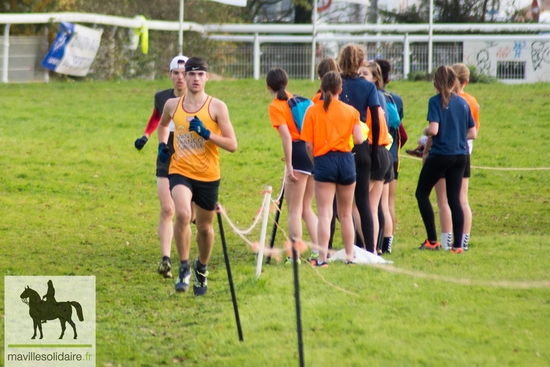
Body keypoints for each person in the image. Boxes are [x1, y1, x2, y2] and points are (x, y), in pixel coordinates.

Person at [158, 56, 238, 295]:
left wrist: (207, 134)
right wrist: (163, 145)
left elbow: (232, 144)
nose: (195, 78)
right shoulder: (173, 105)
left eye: (200, 74)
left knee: (204, 228)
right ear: (184, 76)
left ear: (207, 78)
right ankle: (183, 267)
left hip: (208, 174)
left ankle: (201, 268)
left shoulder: (217, 107)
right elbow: (162, 125)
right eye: (191, 74)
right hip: (180, 170)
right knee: (182, 213)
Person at [301, 71, 364, 266]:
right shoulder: (351, 111)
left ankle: (322, 259)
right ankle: (349, 257)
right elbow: (360, 139)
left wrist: (315, 162)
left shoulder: (312, 111)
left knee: (325, 213)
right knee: (345, 214)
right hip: (345, 159)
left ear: (321, 87)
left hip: (323, 160)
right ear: (340, 89)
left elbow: (309, 145)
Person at [134, 55, 188, 279]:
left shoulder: (198, 100)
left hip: (190, 153)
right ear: (170, 75)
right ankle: (166, 259)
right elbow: (157, 118)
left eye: (184, 73)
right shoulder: (161, 97)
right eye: (176, 73)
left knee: (187, 213)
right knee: (168, 209)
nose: (180, 78)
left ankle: (186, 256)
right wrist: (146, 136)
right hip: (166, 152)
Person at [416, 66, 477, 254]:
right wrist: (457, 134)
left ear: (435, 82)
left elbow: (434, 130)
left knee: (421, 193)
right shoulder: (464, 103)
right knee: (454, 200)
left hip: (441, 154)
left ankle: (432, 240)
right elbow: (472, 133)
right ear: (454, 82)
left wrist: (426, 132)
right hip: (461, 156)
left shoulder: (435, 101)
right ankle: (458, 246)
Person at [266, 67, 319, 264]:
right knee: (307, 207)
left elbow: (287, 136)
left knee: (295, 210)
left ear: (267, 87)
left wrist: (289, 164)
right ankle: (320, 251)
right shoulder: (304, 100)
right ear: (287, 83)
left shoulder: (275, 106)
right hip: (313, 152)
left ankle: (294, 255)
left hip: (297, 153)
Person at [337, 43, 382, 254]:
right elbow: (375, 119)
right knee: (363, 201)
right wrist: (372, 151)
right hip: (361, 145)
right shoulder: (368, 87)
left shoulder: (334, 84)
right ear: (361, 63)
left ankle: (348, 245)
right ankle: (371, 250)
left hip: (338, 146)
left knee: (338, 202)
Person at [358, 61, 394, 255]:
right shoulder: (380, 102)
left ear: (375, 79)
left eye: (365, 74)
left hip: (375, 150)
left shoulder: (371, 102)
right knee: (374, 206)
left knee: (363, 205)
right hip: (384, 151)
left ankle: (368, 247)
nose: (360, 76)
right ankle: (376, 248)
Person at [375, 58, 407, 254]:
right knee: (388, 203)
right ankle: (388, 244)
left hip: (377, 153)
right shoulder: (396, 99)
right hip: (393, 156)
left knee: (374, 203)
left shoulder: (373, 97)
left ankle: (374, 244)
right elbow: (401, 131)